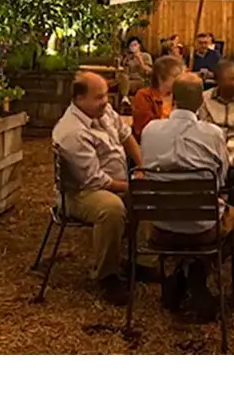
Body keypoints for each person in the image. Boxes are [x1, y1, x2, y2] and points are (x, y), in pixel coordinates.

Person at [140, 73, 234, 316]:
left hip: (161, 226)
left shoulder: (150, 131)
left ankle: (181, 273)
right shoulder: (212, 134)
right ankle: (198, 277)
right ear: (201, 101)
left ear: (172, 99)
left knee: (209, 213)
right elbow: (221, 179)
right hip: (203, 230)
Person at [52, 71, 143, 304]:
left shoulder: (103, 111)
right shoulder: (72, 132)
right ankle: (106, 276)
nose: (106, 101)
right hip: (80, 193)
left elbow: (126, 136)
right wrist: (131, 186)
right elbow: (95, 181)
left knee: (150, 195)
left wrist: (144, 167)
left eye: (106, 95)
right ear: (79, 99)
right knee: (111, 208)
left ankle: (138, 261)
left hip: (113, 180)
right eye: (99, 97)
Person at [132, 54, 183, 141]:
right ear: (160, 78)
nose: (180, 79)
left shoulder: (180, 96)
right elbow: (144, 129)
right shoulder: (144, 96)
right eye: (175, 76)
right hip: (152, 142)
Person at [116, 36, 153, 106]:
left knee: (123, 85)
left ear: (139, 46)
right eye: (131, 45)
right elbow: (124, 72)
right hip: (129, 81)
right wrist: (124, 62)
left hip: (141, 80)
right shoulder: (128, 58)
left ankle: (125, 98)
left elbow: (149, 71)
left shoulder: (145, 56)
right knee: (123, 79)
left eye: (135, 45)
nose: (133, 47)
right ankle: (125, 98)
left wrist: (140, 61)